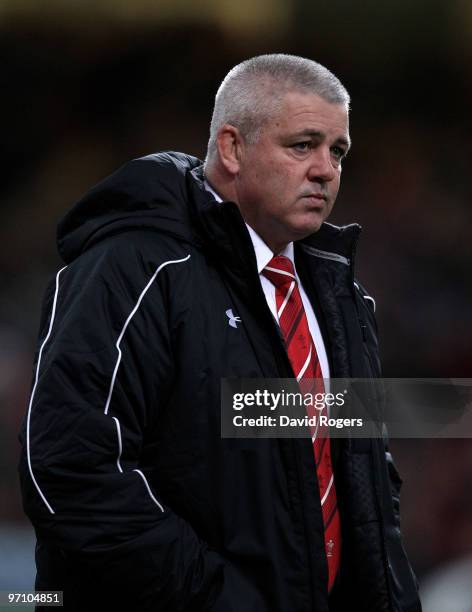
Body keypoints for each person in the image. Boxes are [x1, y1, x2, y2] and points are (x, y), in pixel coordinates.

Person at [19, 54, 421, 611]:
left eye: (338, 151)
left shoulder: (340, 293)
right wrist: (223, 599)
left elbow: (367, 476)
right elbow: (70, 471)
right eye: (303, 145)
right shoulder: (131, 268)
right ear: (231, 148)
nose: (326, 169)